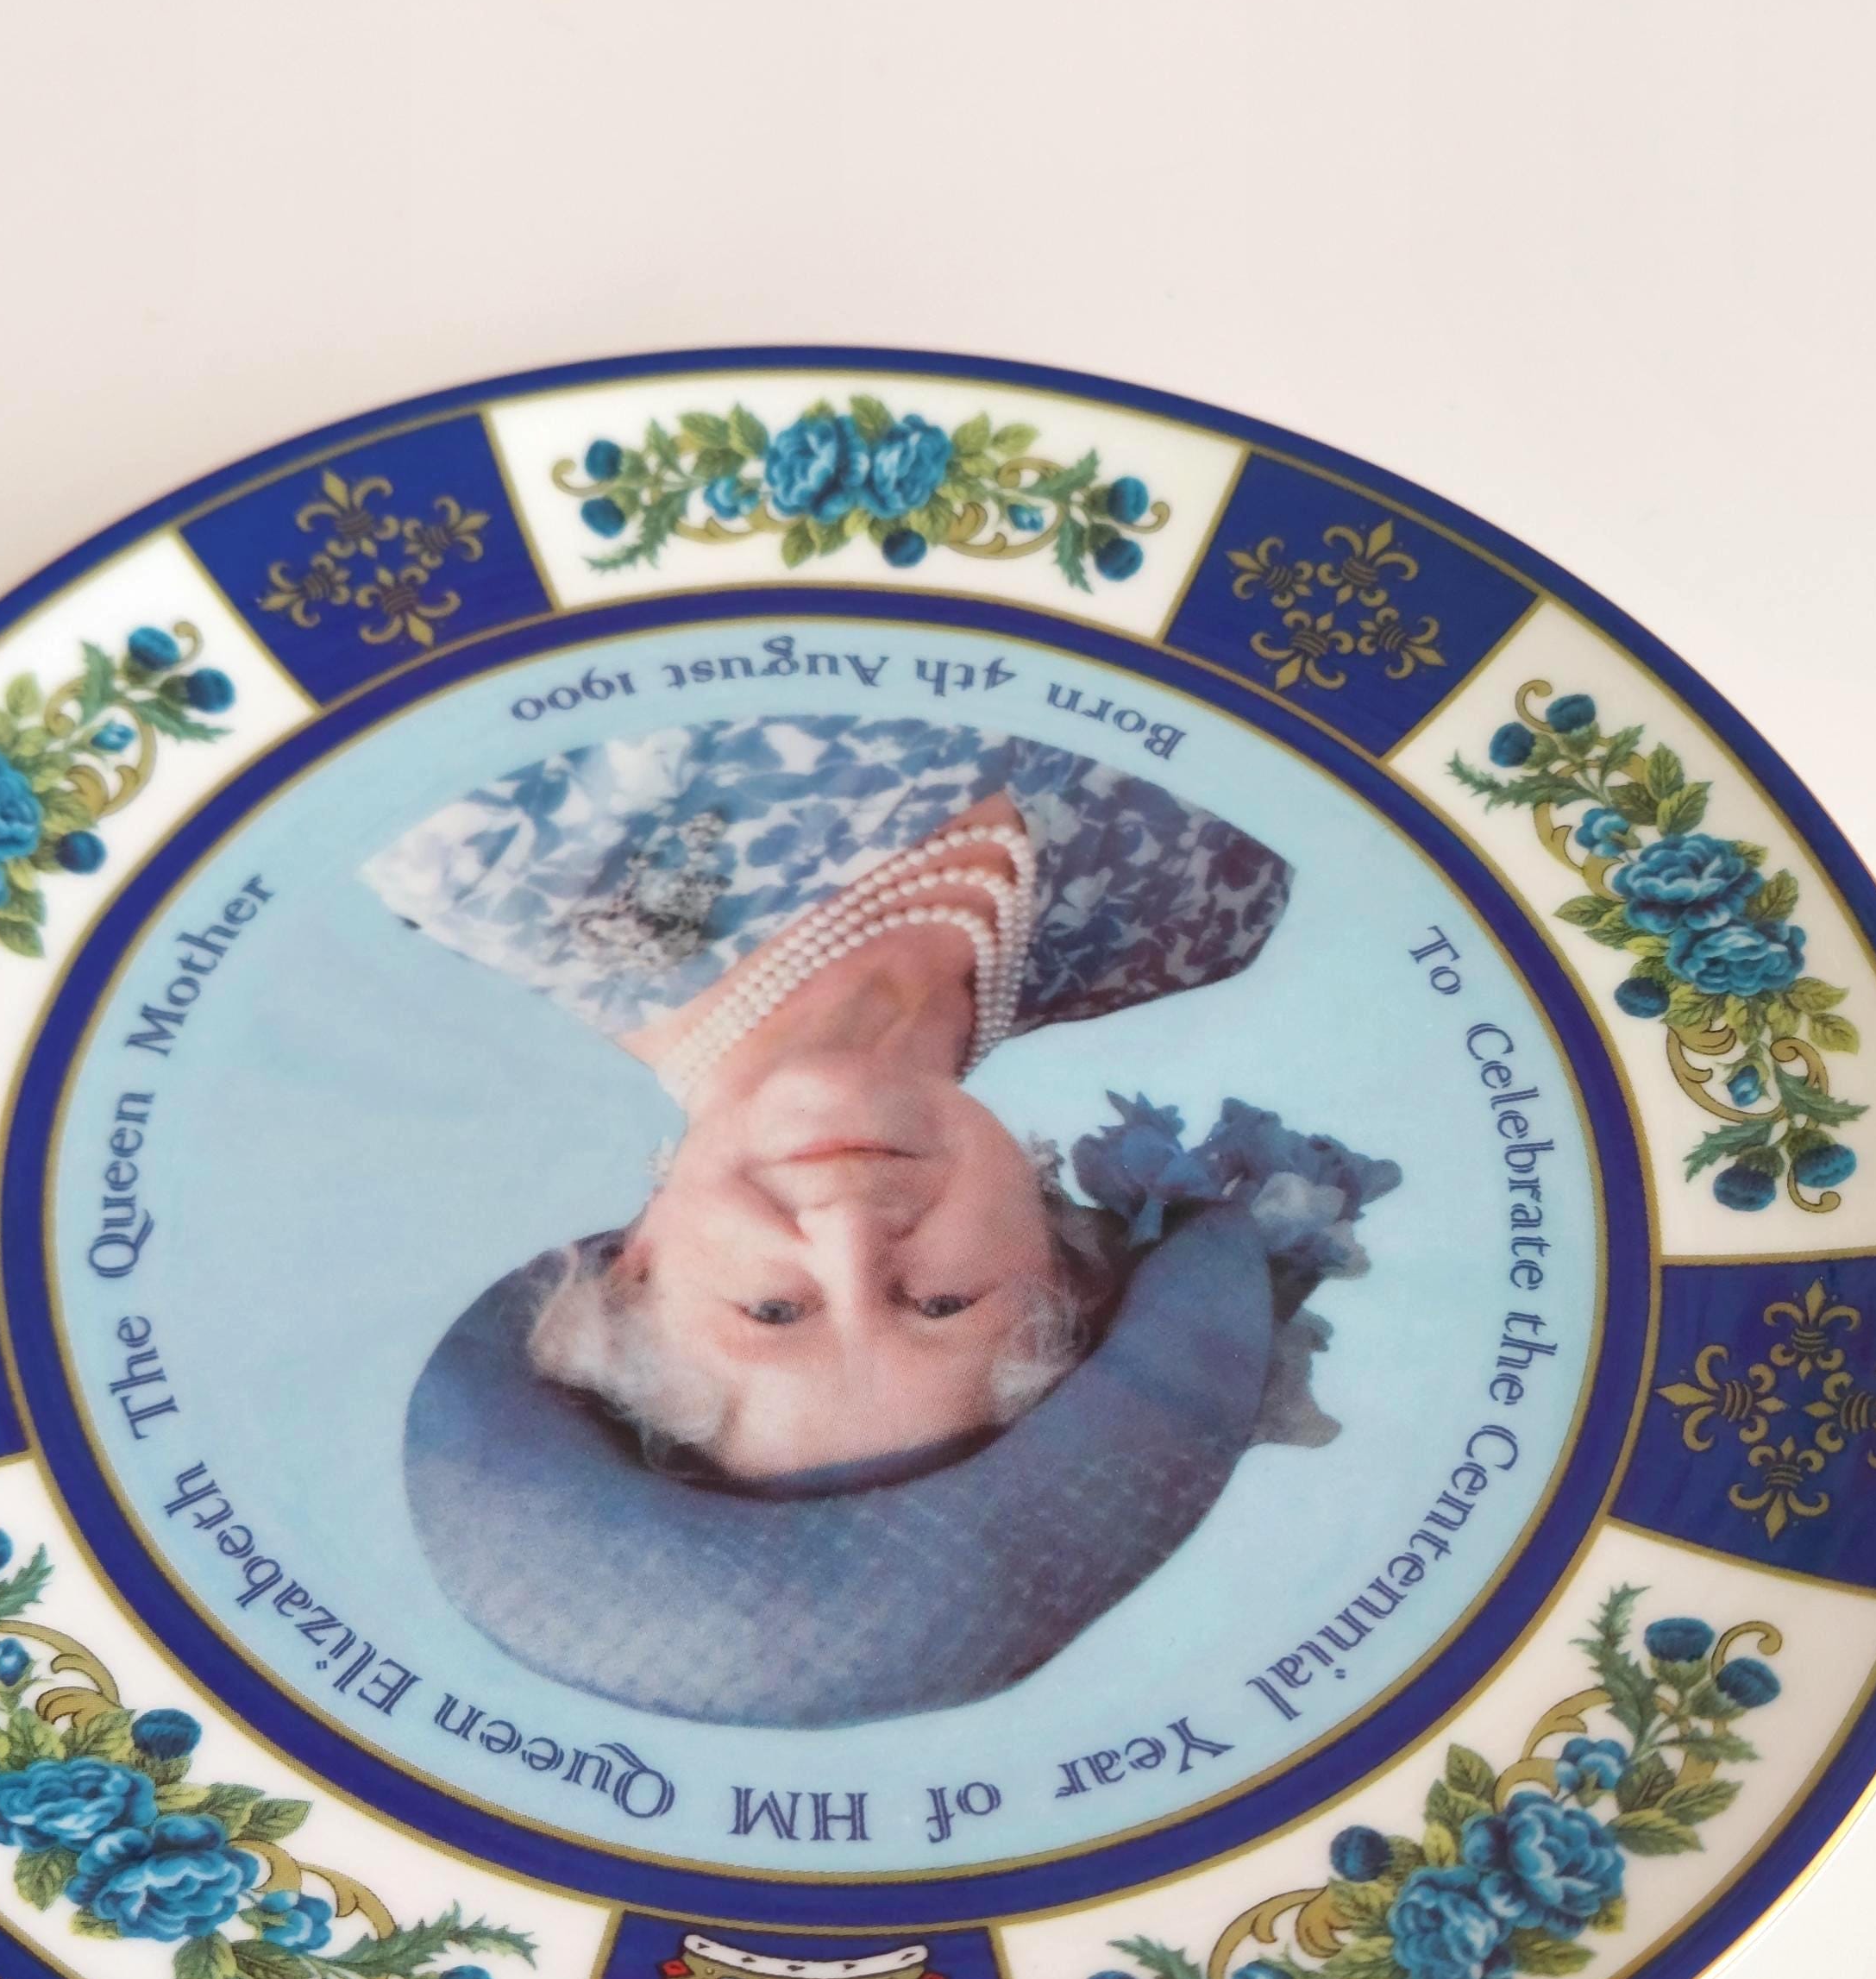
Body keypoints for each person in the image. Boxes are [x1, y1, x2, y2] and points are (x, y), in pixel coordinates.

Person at [368, 715, 1399, 1725]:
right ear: (1066, 1261)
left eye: (775, 1310)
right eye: (941, 1303)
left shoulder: (479, 839)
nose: (849, 1229)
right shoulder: (1206, 914)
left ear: (636, 1267)